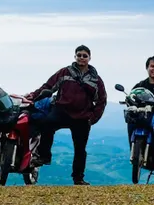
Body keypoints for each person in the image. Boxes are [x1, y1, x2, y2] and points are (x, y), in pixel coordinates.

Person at [27, 45, 107, 186]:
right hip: (62, 110)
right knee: (47, 124)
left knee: (80, 149)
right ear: (75, 56)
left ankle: (78, 179)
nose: (81, 57)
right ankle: (44, 156)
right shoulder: (64, 72)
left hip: (82, 116)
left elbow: (101, 100)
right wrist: (33, 96)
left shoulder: (96, 79)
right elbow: (48, 86)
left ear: (89, 58)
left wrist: (93, 118)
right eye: (79, 55)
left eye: (84, 55)